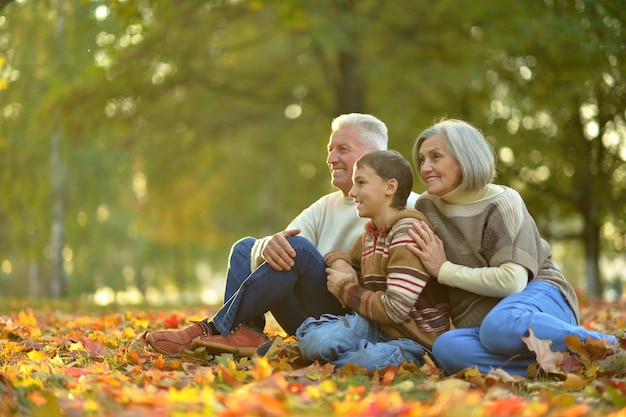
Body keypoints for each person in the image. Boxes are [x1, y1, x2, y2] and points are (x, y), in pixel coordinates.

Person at [146, 113, 419, 356]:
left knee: (297, 250)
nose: (330, 158)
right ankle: (246, 332)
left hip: (356, 317)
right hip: (308, 313)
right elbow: (284, 244)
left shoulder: (407, 205)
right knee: (246, 247)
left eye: (342, 149)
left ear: (374, 153)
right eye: (329, 149)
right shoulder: (326, 205)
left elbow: (299, 252)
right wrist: (267, 246)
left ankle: (213, 328)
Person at [407, 118, 620, 376]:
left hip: (539, 298)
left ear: (465, 158)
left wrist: (444, 270)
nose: (425, 167)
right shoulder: (426, 208)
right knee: (446, 348)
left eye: (435, 157)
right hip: (487, 328)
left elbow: (512, 282)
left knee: (500, 325)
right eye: (422, 159)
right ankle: (563, 364)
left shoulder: (502, 202)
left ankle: (610, 347)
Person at [295, 150, 450, 371]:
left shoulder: (407, 232)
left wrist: (345, 289)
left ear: (390, 187)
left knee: (360, 363)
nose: (351, 192)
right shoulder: (371, 235)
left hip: (413, 338)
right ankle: (331, 346)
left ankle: (346, 358)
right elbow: (340, 255)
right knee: (315, 343)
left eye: (360, 183)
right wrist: (340, 262)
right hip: (375, 326)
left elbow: (395, 309)